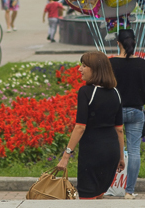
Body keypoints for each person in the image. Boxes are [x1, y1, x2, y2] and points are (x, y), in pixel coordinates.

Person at [56, 52, 126, 199]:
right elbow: (119, 129)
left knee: (87, 198)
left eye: (84, 66)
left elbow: (80, 127)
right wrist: (120, 158)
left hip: (93, 153)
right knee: (99, 196)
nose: (79, 69)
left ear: (95, 69)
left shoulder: (86, 92)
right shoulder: (115, 93)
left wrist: (66, 155)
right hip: (111, 152)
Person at [110, 28, 145, 198]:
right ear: (134, 42)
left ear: (118, 43)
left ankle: (107, 186)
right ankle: (129, 191)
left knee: (112, 149)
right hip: (136, 110)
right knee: (134, 151)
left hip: (115, 111)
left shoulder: (111, 63)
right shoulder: (143, 63)